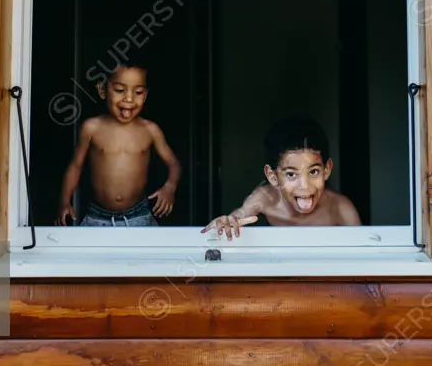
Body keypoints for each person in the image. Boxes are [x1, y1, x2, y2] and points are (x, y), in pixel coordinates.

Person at [55, 55, 181, 227]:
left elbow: (173, 163)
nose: (129, 98)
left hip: (140, 215)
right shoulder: (92, 128)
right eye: (120, 90)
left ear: (145, 95)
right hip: (97, 217)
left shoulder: (150, 130)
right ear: (102, 90)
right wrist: (64, 201)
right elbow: (75, 166)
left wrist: (170, 187)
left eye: (138, 92)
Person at [202, 115, 361, 240]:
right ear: (273, 176)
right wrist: (227, 222)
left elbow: (362, 254)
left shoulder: (341, 209)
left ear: (327, 170)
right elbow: (239, 215)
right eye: (291, 174)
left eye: (313, 172)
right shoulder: (265, 199)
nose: (304, 186)